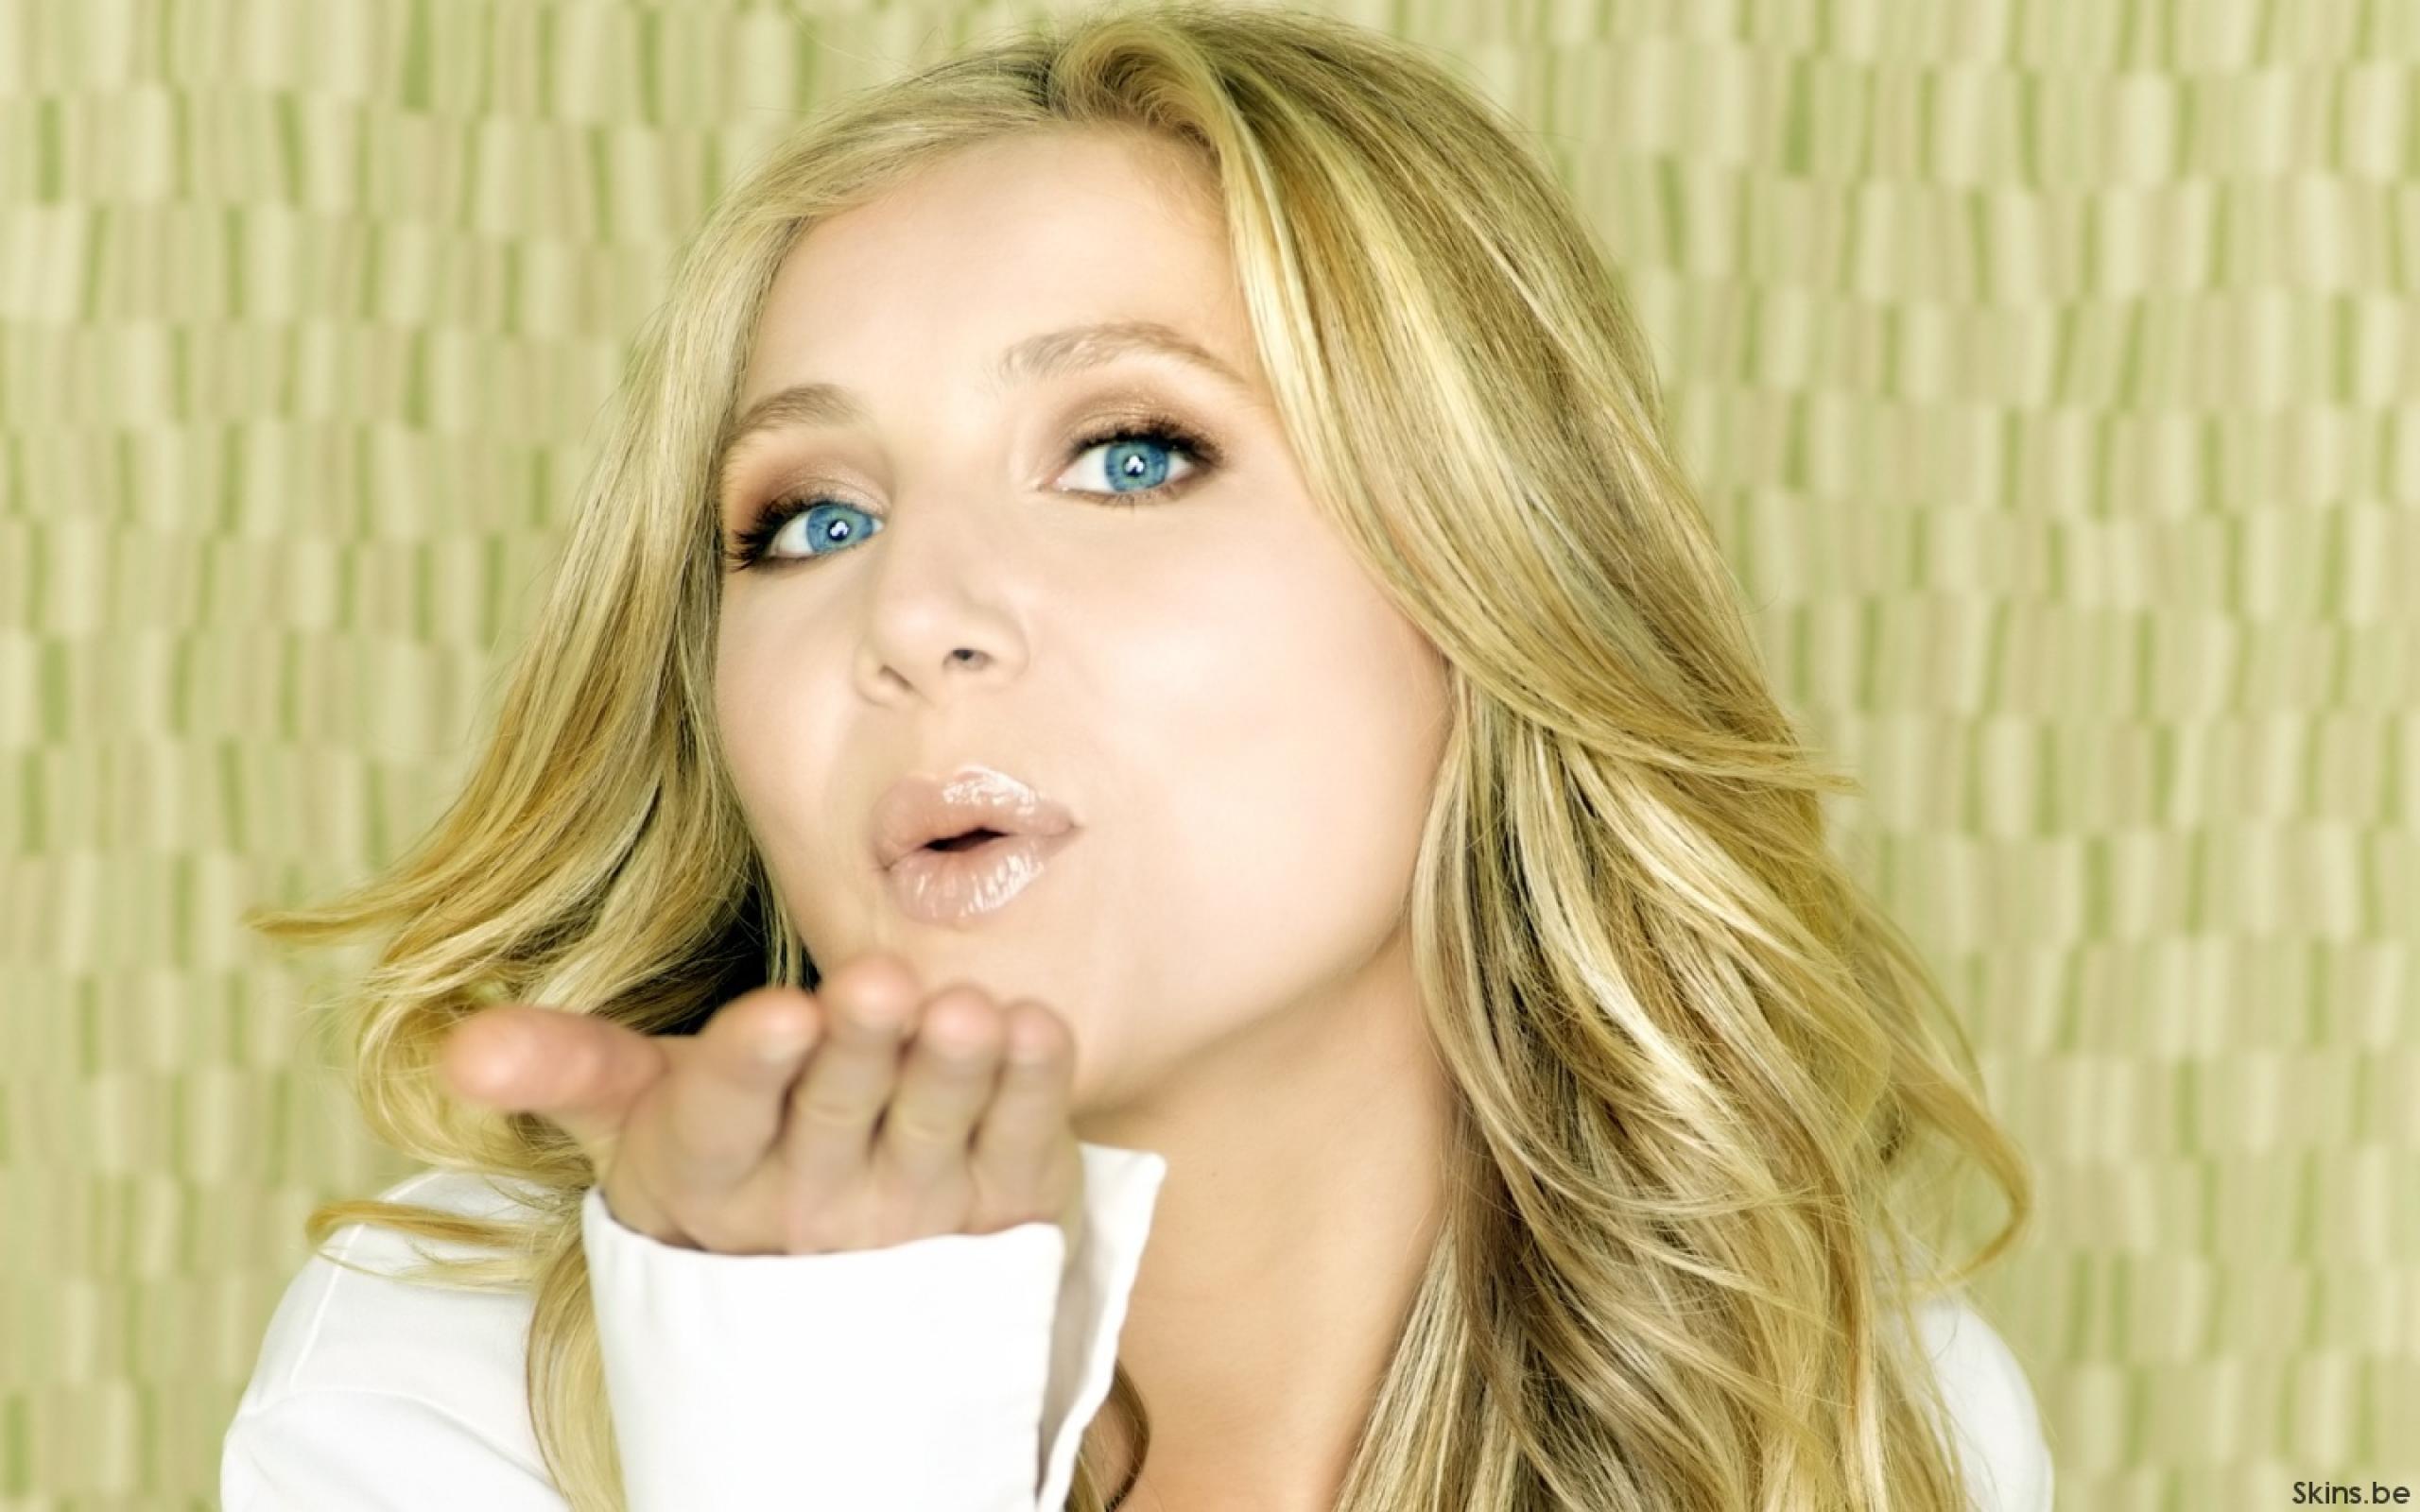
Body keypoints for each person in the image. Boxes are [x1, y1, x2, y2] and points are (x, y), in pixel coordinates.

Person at [222, 4, 2056, 1510]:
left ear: (1498, 578)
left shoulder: (1847, 1414)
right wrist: (808, 1408)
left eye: (1127, 455)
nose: (911, 612)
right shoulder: (447, 1384)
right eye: (810, 519)